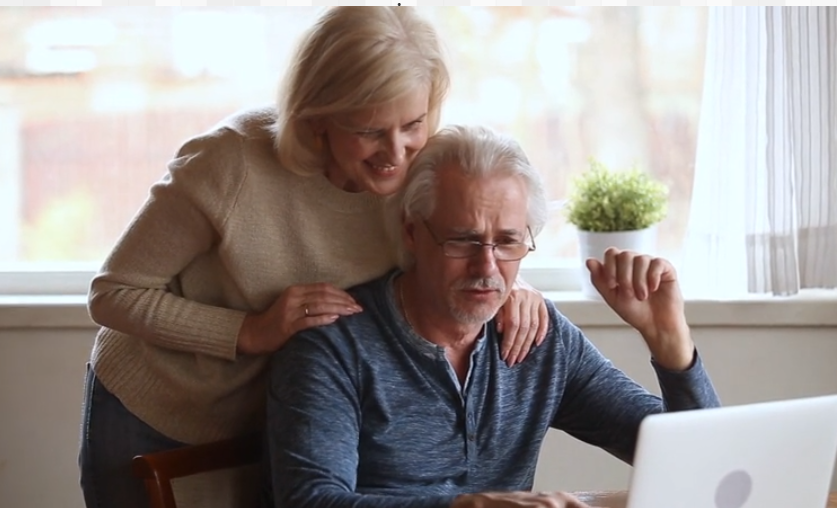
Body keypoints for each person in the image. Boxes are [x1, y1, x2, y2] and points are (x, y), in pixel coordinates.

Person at [79, 8, 549, 508]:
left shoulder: (423, 167)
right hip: (160, 408)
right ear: (318, 117)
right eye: (369, 130)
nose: (397, 152)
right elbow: (112, 294)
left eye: (412, 123)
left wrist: (511, 285)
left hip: (291, 420)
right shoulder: (228, 162)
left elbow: (459, 240)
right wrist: (250, 331)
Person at [265, 125, 722, 508]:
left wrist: (670, 344)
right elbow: (312, 501)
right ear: (411, 231)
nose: (487, 269)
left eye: (508, 242)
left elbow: (697, 464)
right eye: (463, 240)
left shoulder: (540, 338)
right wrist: (467, 505)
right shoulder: (332, 347)